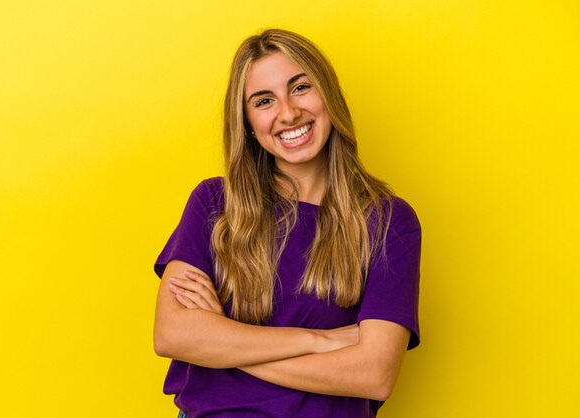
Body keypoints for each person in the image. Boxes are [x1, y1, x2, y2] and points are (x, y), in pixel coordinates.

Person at [153, 28, 422, 418]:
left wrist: (222, 343)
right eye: (264, 100)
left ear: (328, 95)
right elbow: (173, 335)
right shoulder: (214, 204)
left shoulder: (387, 222)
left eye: (300, 88)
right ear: (246, 121)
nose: (288, 113)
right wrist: (320, 341)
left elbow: (374, 373)